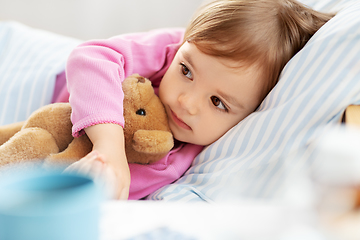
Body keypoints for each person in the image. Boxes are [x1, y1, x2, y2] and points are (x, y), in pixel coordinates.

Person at [55, 0, 334, 200]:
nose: (186, 102)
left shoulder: (202, 155)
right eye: (186, 71)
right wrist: (109, 149)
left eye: (218, 102)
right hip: (56, 92)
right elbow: (90, 58)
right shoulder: (172, 49)